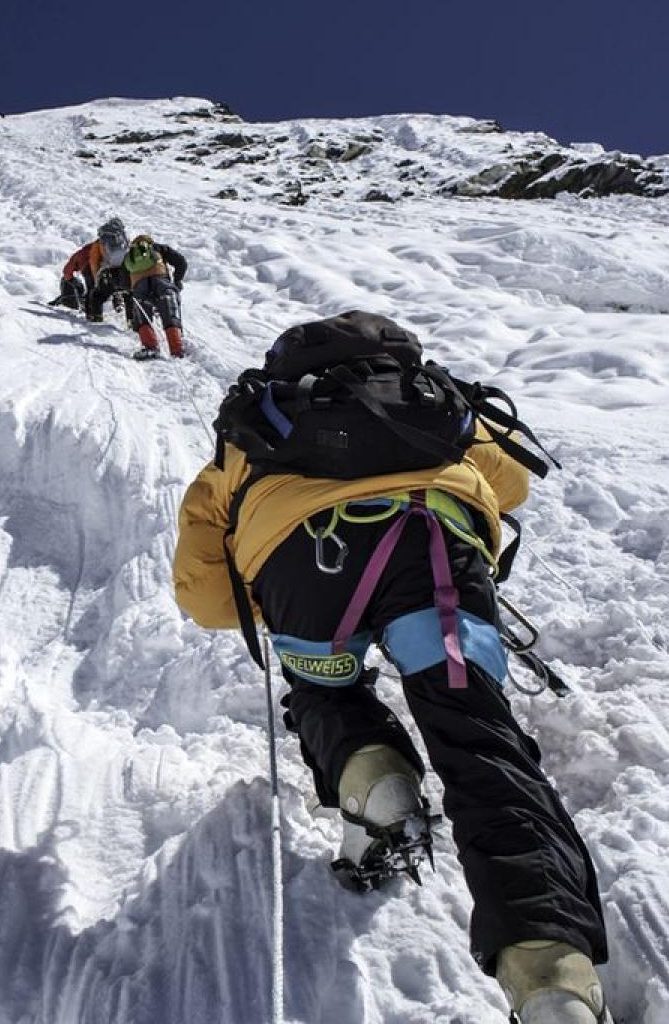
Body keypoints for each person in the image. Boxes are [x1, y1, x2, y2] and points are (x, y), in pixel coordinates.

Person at [172, 311, 609, 1024]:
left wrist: (268, 593)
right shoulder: (432, 400)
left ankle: (374, 786)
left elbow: (206, 596)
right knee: (478, 737)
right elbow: (513, 484)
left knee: (326, 692)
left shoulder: (256, 428)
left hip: (305, 564)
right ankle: (551, 972)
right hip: (435, 546)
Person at [117, 235, 189, 359]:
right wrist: (177, 281)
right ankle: (177, 349)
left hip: (139, 287)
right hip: (162, 282)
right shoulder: (158, 248)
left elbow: (123, 283)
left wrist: (134, 288)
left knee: (142, 317)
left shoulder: (128, 257)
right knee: (170, 313)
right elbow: (181, 262)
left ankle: (150, 347)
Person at [49, 217, 132, 320]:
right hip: (108, 269)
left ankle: (92, 316)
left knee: (92, 291)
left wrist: (70, 279)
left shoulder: (85, 251)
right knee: (117, 287)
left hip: (91, 270)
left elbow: (67, 269)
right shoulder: (107, 246)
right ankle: (121, 310)